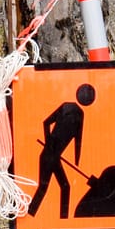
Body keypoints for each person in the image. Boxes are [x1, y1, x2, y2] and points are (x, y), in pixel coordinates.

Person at [28, 83, 94, 218]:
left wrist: (77, 162)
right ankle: (30, 217)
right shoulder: (68, 108)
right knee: (45, 188)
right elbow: (46, 123)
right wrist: (49, 144)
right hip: (48, 155)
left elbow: (78, 142)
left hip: (53, 156)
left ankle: (61, 219)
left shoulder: (76, 112)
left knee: (63, 187)